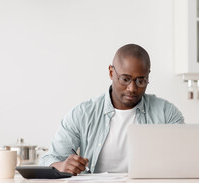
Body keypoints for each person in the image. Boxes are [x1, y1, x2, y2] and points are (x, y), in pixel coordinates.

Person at [40, 44, 184, 175]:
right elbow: (49, 159)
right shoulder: (83, 114)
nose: (132, 88)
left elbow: (186, 157)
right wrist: (61, 165)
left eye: (141, 81)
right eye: (125, 79)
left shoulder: (166, 113)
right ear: (111, 72)